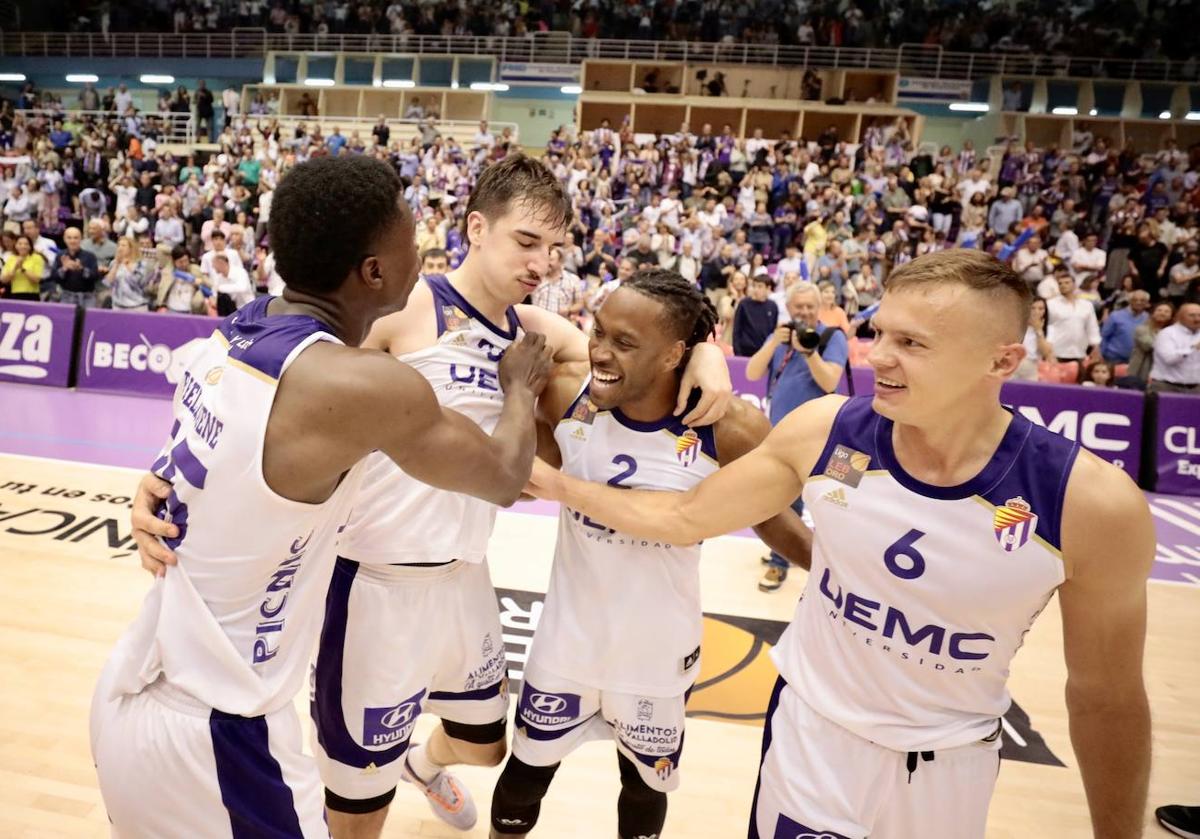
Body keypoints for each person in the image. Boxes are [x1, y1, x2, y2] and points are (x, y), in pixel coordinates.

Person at [527, 249, 1154, 839]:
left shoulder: (1092, 503)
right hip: (811, 738)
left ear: (1000, 361)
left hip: (950, 764)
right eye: (878, 333)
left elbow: (1106, 700)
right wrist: (562, 479)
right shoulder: (825, 430)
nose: (878, 357)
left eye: (912, 343)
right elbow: (687, 514)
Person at [202, 154, 727, 839]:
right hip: (376, 580)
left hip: (466, 577)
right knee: (359, 804)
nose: (542, 262)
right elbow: (267, 348)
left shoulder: (533, 331)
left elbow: (647, 338)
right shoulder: (405, 305)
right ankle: (382, 774)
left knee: (486, 742)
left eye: (556, 248)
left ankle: (422, 763)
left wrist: (709, 348)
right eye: (527, 241)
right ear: (477, 228)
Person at [90, 153, 555, 838]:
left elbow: (198, 456)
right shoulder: (360, 385)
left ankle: (419, 764)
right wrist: (518, 388)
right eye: (411, 243)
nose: (422, 252)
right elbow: (504, 476)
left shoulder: (239, 330)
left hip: (142, 689)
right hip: (221, 730)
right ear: (373, 272)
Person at [488, 269, 811, 839]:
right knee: (522, 781)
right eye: (598, 331)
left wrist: (846, 569)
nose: (601, 352)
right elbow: (515, 477)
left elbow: (772, 520)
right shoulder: (567, 395)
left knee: (643, 791)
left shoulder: (731, 429)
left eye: (625, 342)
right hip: (569, 640)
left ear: (674, 355)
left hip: (658, 654)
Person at [745, 283, 848, 592]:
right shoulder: (780, 336)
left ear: (819, 308)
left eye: (809, 307)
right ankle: (784, 554)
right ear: (789, 309)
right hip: (781, 431)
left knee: (823, 501)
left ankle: (786, 562)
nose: (803, 312)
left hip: (820, 434)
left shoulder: (832, 336)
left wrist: (808, 352)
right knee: (782, 498)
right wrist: (771, 344)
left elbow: (829, 381)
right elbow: (752, 373)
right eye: (798, 307)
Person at [1046, 270, 1100, 368]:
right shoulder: (1050, 304)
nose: (1063, 285)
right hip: (1057, 352)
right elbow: (1047, 328)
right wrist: (1048, 350)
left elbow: (1092, 327)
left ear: (1074, 285)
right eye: (1060, 283)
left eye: (1067, 283)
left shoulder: (1087, 305)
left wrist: (1095, 346)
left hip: (1080, 352)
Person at [1148, 301, 1200, 394]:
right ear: (1181, 317)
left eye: (1199, 315)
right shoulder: (1167, 334)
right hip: (1167, 387)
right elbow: (1169, 359)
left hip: (1196, 389)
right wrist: (1193, 348)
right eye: (1192, 315)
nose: (1197, 319)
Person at [50, 226, 100, 307]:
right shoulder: (60, 255)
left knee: (88, 319)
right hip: (66, 296)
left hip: (87, 298)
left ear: (81, 239)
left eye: (75, 238)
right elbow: (54, 277)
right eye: (69, 238)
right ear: (64, 239)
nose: (72, 241)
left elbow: (95, 277)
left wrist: (81, 269)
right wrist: (64, 269)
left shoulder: (90, 256)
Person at [732, 274, 778, 357]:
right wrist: (738, 353)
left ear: (768, 288)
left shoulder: (773, 306)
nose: (756, 289)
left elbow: (773, 331)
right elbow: (736, 330)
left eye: (760, 287)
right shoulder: (744, 304)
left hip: (765, 351)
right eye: (754, 286)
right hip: (745, 351)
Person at [1099, 289, 1150, 364]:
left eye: (1142, 300)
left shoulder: (1148, 318)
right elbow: (1104, 336)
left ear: (1146, 303)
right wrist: (1100, 355)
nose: (1138, 302)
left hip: (1135, 360)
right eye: (1135, 300)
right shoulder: (1115, 315)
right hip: (1113, 359)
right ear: (1129, 301)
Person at [0, 234, 46, 300]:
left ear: (30, 246)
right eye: (20, 244)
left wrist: (22, 268)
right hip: (15, 294)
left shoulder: (37, 258)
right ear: (15, 245)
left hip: (32, 295)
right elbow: (3, 279)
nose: (23, 246)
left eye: (26, 244)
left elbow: (37, 279)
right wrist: (15, 268)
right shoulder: (11, 258)